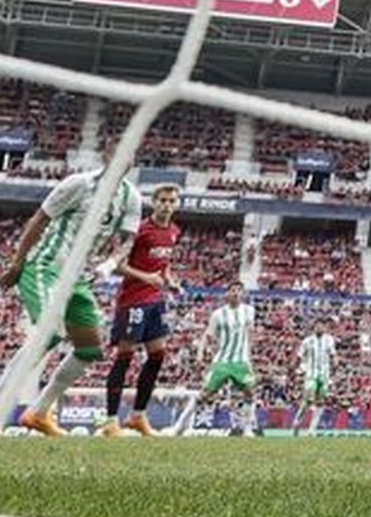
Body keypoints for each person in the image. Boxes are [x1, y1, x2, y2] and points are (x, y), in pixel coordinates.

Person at [0, 167, 142, 437]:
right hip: (46, 266)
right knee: (51, 331)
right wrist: (17, 264)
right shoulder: (77, 184)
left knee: (89, 349)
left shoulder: (131, 197)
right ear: (107, 153)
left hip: (78, 276)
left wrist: (111, 262)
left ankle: (38, 413)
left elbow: (128, 240)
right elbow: (39, 219)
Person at [99, 183, 182, 438]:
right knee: (125, 357)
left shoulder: (175, 231)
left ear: (177, 204)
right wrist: (146, 278)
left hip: (155, 301)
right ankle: (111, 421)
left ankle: (138, 416)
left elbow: (163, 265)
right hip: (133, 300)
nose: (167, 205)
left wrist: (170, 281)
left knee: (158, 356)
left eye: (172, 201)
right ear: (153, 202)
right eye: (163, 200)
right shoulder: (140, 230)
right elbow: (117, 265)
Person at [179, 282, 259, 437]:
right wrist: (200, 354)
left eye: (238, 290)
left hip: (241, 361)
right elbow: (207, 336)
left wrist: (249, 357)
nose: (236, 293)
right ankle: (182, 425)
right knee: (205, 394)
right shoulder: (218, 314)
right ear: (227, 294)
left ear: (242, 294)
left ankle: (247, 428)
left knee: (250, 393)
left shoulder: (249, 311)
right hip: (222, 361)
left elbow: (250, 335)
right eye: (232, 290)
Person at [294, 319, 338, 435]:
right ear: (314, 327)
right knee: (309, 398)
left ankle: (312, 429)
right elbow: (299, 356)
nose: (320, 328)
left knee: (320, 402)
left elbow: (333, 355)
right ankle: (298, 419)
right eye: (318, 326)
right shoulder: (307, 341)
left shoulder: (329, 340)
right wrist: (295, 368)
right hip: (311, 373)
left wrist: (335, 364)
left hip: (324, 374)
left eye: (322, 326)